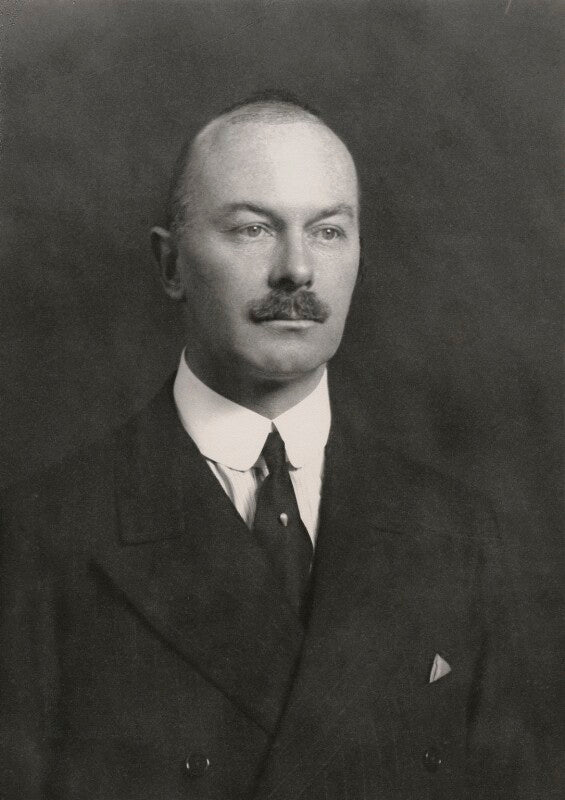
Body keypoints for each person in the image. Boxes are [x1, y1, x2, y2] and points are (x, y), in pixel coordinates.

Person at [0, 93, 542, 799]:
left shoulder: (457, 534)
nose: (297, 270)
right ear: (170, 265)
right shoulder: (38, 537)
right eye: (253, 229)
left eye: (328, 231)